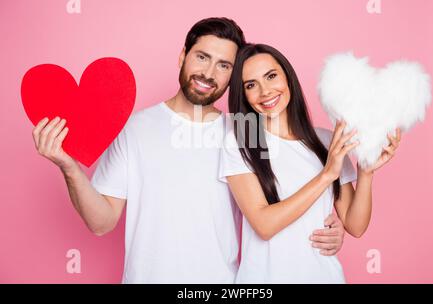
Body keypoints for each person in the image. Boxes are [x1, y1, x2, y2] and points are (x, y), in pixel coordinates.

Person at [31, 18, 348, 283]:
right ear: (183, 55)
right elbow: (101, 223)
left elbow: (281, 202)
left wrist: (331, 222)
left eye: (223, 65)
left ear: (232, 77)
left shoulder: (245, 134)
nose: (209, 74)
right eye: (202, 57)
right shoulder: (135, 129)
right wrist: (69, 167)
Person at [220, 43, 401, 283]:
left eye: (271, 76)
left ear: (288, 78)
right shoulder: (241, 142)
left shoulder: (327, 141)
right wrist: (327, 175)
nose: (265, 91)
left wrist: (366, 171)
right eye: (251, 85)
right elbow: (264, 225)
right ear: (243, 95)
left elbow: (355, 225)